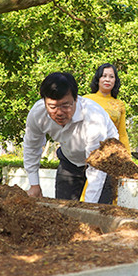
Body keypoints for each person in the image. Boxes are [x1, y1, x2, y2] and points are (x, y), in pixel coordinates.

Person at [23, 72, 119, 203]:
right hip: (70, 161)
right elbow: (31, 147)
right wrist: (34, 184)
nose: (59, 112)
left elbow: (97, 168)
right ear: (44, 102)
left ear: (76, 99)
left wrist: (89, 209)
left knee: (100, 211)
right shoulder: (37, 114)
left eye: (65, 105)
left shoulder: (93, 118)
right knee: (63, 211)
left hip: (104, 161)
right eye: (52, 107)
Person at [84, 63, 130, 151]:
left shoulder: (119, 104)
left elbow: (122, 134)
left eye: (111, 77)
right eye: (104, 76)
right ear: (98, 79)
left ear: (115, 80)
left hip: (109, 153)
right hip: (86, 150)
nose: (107, 80)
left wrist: (128, 156)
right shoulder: (86, 100)